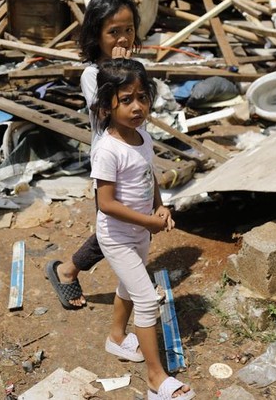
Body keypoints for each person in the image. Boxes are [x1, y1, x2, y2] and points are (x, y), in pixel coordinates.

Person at [91, 58, 193, 400]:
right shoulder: (107, 150)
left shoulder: (142, 136)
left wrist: (160, 205)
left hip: (139, 232)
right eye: (126, 100)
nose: (137, 107)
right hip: (117, 236)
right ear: (107, 106)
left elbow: (148, 177)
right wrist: (150, 221)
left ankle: (117, 337)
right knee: (147, 301)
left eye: (142, 97)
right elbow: (105, 203)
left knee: (128, 285)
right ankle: (155, 378)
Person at [46, 0, 142, 309]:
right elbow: (107, 113)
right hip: (109, 161)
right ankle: (67, 270)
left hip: (135, 156)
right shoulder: (93, 75)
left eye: (128, 30)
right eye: (113, 32)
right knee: (112, 227)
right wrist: (119, 77)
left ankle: (129, 278)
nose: (122, 39)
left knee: (127, 222)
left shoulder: (135, 65)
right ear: (96, 35)